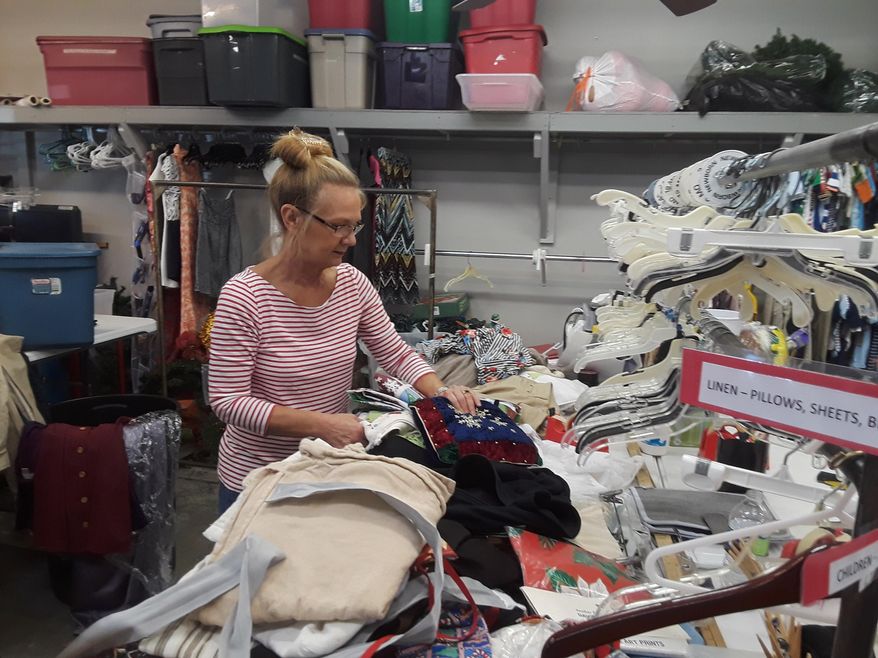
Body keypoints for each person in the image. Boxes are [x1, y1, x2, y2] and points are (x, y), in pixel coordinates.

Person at [208, 128, 478, 513]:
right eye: (338, 226)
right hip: (257, 480)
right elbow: (227, 401)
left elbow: (395, 352)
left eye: (355, 225)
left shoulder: (350, 283)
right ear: (292, 218)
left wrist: (439, 389)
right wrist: (323, 425)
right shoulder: (246, 297)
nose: (350, 239)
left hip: (325, 466)